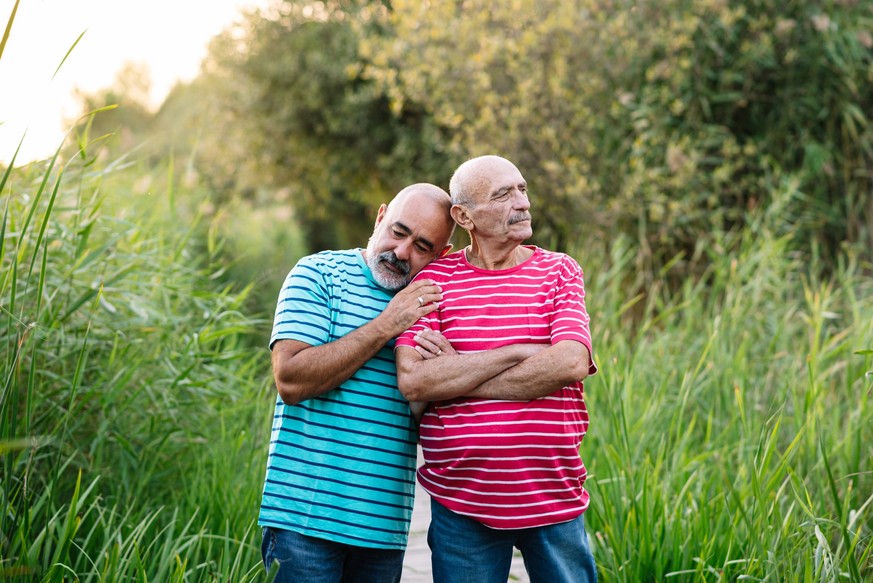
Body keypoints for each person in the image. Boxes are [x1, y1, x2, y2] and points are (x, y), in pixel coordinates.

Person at [395, 155, 599, 583]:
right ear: (463, 215)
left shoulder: (559, 271)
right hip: (460, 501)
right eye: (503, 194)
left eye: (522, 189)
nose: (522, 203)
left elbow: (571, 360)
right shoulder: (434, 282)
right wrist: (518, 353)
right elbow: (414, 379)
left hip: (552, 494)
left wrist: (455, 376)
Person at [258, 183, 455, 583]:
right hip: (304, 521)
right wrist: (388, 325)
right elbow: (291, 380)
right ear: (380, 216)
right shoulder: (318, 275)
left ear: (441, 256)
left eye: (422, 246)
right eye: (398, 232)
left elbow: (437, 413)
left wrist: (447, 373)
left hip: (383, 529)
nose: (402, 252)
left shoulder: (434, 305)